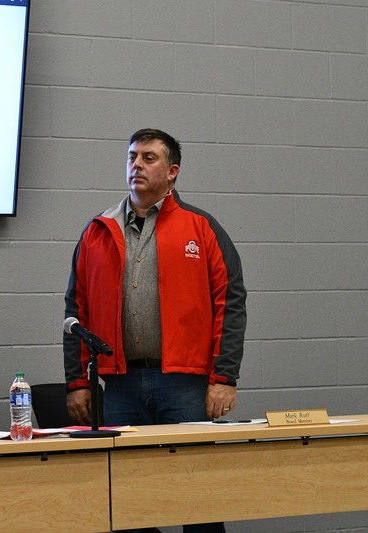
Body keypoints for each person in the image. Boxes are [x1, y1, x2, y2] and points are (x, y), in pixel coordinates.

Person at [63, 128, 247, 533]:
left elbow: (230, 302)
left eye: (149, 158)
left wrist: (224, 378)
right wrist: (78, 382)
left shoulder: (201, 228)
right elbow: (76, 310)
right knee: (128, 501)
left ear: (173, 171)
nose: (137, 166)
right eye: (132, 157)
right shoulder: (97, 231)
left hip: (183, 383)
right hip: (121, 385)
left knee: (195, 498)